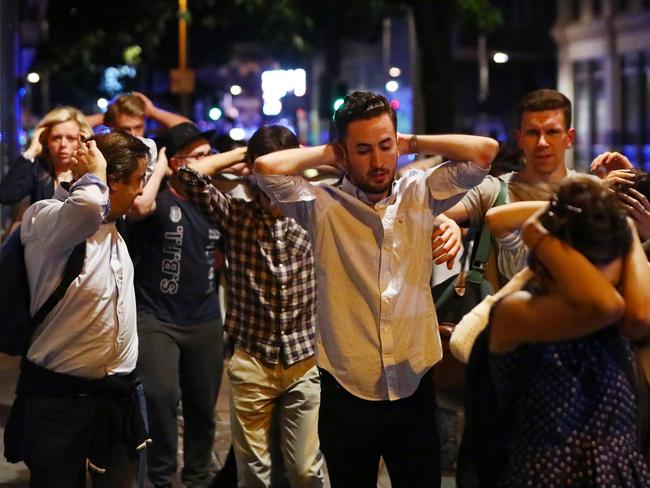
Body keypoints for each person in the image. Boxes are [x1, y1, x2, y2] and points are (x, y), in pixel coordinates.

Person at [253, 91, 498, 487]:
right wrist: (327, 154)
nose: (379, 160)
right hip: (346, 384)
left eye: (386, 146)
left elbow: (484, 153)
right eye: (363, 150)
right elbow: (265, 168)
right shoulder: (320, 203)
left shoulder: (421, 191)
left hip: (414, 380)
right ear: (344, 154)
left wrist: (412, 143)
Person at [465, 176, 650, 486]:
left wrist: (623, 224)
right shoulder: (517, 310)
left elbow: (640, 317)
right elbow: (605, 307)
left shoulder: (621, 309)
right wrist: (537, 232)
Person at [178, 125, 324, 488]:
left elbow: (355, 173)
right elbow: (186, 175)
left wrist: (303, 158)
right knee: (253, 476)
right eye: (267, 172)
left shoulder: (318, 211)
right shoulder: (236, 213)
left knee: (306, 471)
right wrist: (245, 156)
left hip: (305, 359)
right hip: (253, 360)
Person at [13, 130, 150, 487]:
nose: (140, 190)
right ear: (111, 182)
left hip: (118, 396)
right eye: (137, 180)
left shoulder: (114, 229)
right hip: (60, 403)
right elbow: (88, 205)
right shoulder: (47, 219)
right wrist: (93, 173)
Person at [127, 121, 224, 488]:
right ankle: (162, 476)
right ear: (176, 163)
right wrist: (163, 161)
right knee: (161, 396)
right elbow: (139, 207)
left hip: (203, 318)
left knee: (203, 407)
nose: (208, 163)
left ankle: (198, 476)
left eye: (209, 155)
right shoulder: (158, 200)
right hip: (157, 317)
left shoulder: (215, 200)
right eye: (197, 157)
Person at [444, 88, 585, 281]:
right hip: (502, 308)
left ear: (569, 138)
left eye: (552, 132)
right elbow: (431, 211)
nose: (542, 142)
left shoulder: (589, 191)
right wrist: (411, 144)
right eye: (533, 133)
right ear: (519, 138)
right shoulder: (494, 190)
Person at [0, 106, 93, 231]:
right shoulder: (39, 169)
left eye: (70, 138)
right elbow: (6, 195)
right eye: (56, 138)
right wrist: (32, 151)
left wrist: (90, 149)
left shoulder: (90, 172)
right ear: (46, 141)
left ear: (82, 139)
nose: (63, 145)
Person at [86, 92, 189, 137]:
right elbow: (72, 127)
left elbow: (189, 129)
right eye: (126, 129)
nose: (134, 134)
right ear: (112, 128)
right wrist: (107, 116)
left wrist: (153, 112)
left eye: (138, 127)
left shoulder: (154, 151)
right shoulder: (102, 155)